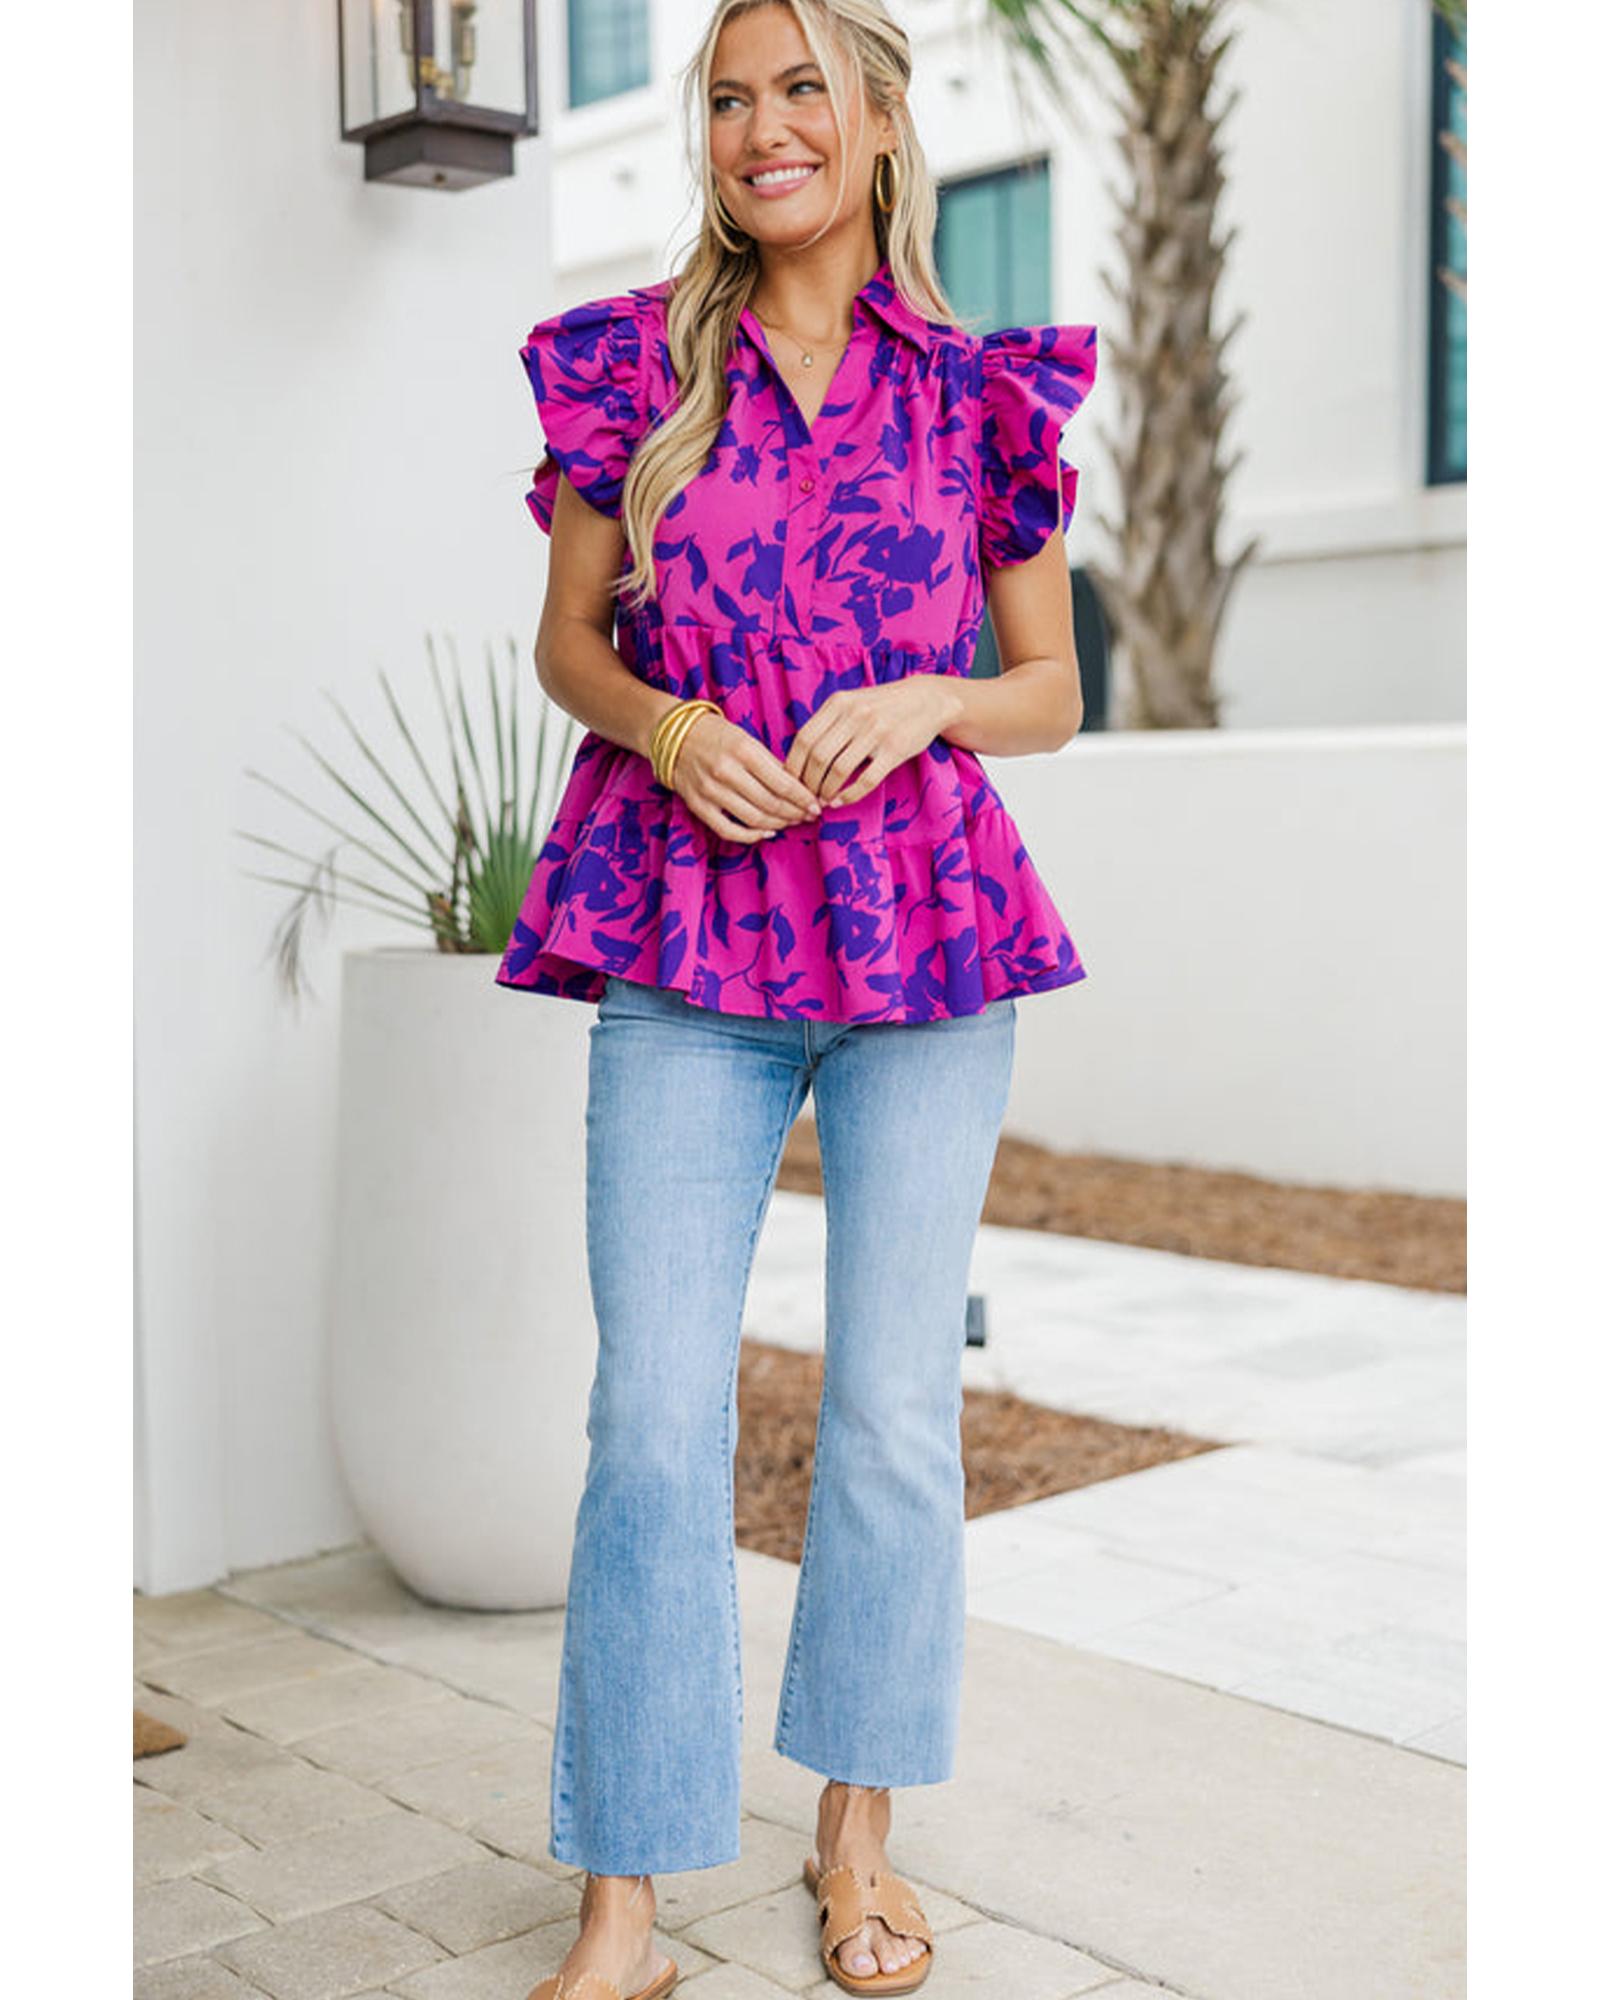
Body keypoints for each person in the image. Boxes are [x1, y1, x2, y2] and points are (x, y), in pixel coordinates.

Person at [501, 2, 1097, 1993]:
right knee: (653, 1415)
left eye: (801, 91)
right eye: (729, 98)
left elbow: (1049, 692)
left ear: (879, 121)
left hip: (926, 937)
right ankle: (625, 1900)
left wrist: (932, 696)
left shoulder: (978, 394)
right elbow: (568, 645)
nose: (764, 128)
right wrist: (667, 727)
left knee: (894, 1414)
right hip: (685, 941)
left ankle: (856, 1832)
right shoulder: (631, 366)